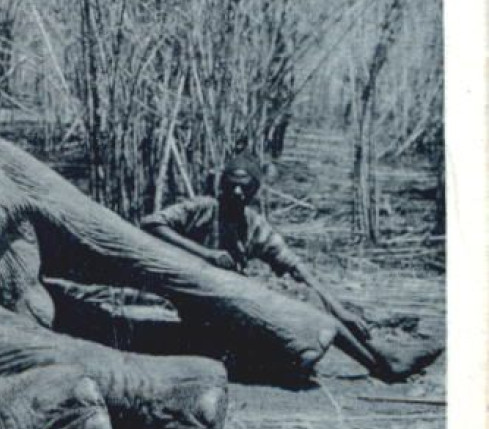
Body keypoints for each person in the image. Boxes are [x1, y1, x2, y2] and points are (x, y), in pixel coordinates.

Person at [141, 155, 429, 381]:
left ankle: (381, 358)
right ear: (221, 185)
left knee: (310, 298)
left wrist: (341, 310)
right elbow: (152, 223)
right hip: (201, 307)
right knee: (304, 312)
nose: (238, 192)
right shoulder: (203, 209)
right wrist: (206, 254)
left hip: (234, 304)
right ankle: (384, 364)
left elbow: (295, 266)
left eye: (246, 186)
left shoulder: (253, 224)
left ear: (255, 189)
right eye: (232, 185)